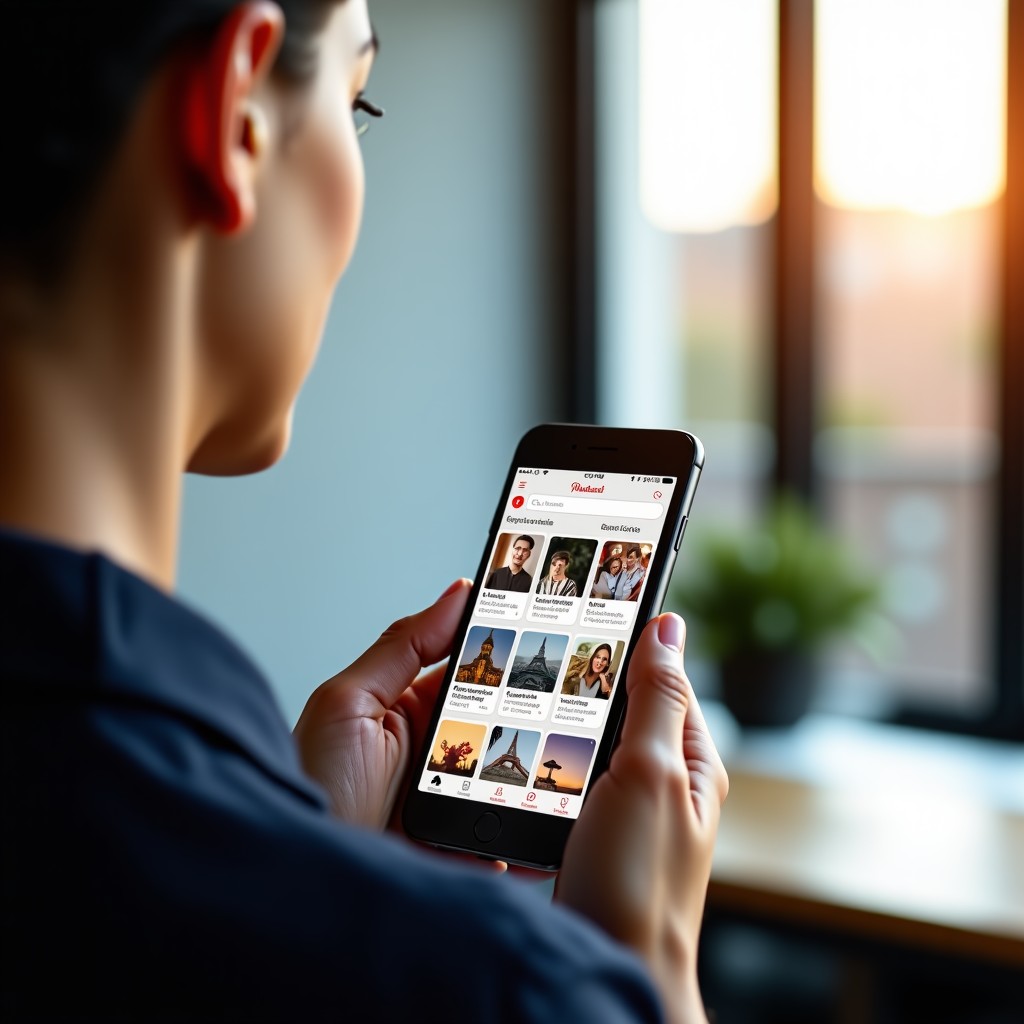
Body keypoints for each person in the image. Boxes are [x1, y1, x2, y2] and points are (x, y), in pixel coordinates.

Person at [0, 2, 728, 1021]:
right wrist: (639, 966)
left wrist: (309, 839)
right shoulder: (501, 987)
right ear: (236, 116)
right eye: (357, 96)